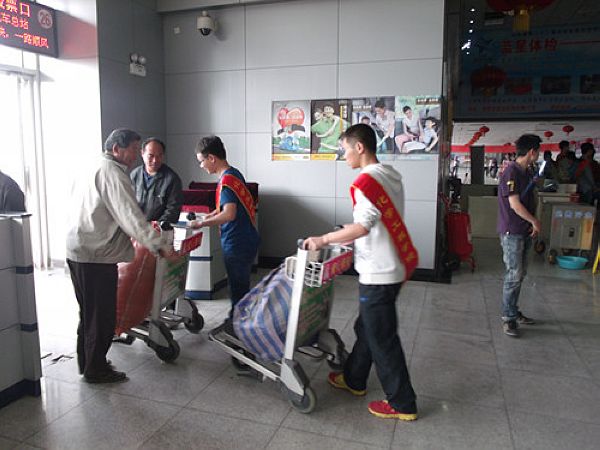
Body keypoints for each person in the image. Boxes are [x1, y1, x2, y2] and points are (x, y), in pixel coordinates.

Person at [304, 123, 418, 421]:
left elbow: (364, 226)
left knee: (382, 338)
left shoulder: (365, 181)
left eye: (344, 150)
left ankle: (403, 403)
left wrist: (324, 239)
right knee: (366, 327)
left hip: (378, 271)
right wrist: (348, 229)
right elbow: (375, 220)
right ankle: (354, 378)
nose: (344, 156)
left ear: (359, 147)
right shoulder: (389, 175)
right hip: (394, 264)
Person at [66, 128, 175, 384]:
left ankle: (88, 362)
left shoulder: (91, 165)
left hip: (78, 248)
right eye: (134, 149)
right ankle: (96, 369)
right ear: (116, 149)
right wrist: (158, 244)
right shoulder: (113, 173)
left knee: (89, 311)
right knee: (102, 315)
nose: (137, 155)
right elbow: (131, 216)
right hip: (96, 254)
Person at [191, 136, 260, 323]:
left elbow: (229, 214)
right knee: (240, 285)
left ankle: (237, 326)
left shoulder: (227, 181)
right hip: (246, 237)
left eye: (201, 161)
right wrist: (210, 215)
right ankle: (239, 321)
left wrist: (201, 224)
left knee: (238, 288)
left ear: (211, 158)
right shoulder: (233, 174)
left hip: (237, 242)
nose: (201, 166)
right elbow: (227, 206)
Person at [497, 134, 541, 338]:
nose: (538, 155)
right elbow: (514, 205)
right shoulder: (512, 172)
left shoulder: (527, 172)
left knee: (520, 274)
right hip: (512, 231)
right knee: (514, 274)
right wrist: (534, 221)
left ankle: (513, 310)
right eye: (538, 151)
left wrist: (531, 222)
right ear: (532, 151)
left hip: (523, 230)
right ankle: (508, 318)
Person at [130, 138, 183, 224]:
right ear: (142, 153)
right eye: (151, 156)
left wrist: (157, 226)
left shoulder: (172, 179)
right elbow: (128, 202)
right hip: (135, 226)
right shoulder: (134, 175)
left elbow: (173, 210)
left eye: (159, 156)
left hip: (159, 229)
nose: (155, 160)